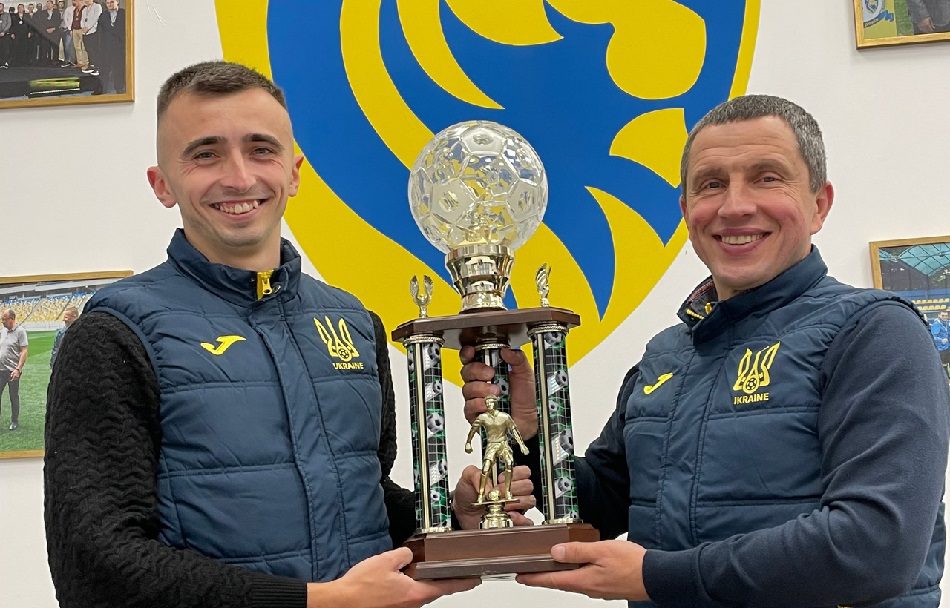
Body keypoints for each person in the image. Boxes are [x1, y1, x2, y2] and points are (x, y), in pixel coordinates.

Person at [45, 61, 534, 608]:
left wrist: (448, 518)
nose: (239, 177)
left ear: (294, 172)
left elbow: (359, 499)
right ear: (162, 185)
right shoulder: (115, 334)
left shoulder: (353, 323)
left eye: (261, 149)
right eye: (205, 154)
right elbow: (95, 568)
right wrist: (318, 601)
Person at [461, 95, 950, 606]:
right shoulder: (666, 354)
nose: (735, 206)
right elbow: (603, 505)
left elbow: (875, 547)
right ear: (686, 211)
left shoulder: (874, 333)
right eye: (712, 184)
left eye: (767, 178)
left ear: (819, 204)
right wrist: (530, 435)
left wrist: (655, 576)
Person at [464, 394, 529, 503]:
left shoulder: (504, 417)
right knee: (485, 468)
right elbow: (473, 430)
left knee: (509, 463)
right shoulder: (483, 417)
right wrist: (468, 442)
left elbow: (514, 431)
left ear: (495, 403)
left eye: (491, 402)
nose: (489, 405)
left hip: (503, 444)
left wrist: (522, 445)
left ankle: (507, 492)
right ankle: (481, 494)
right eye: (487, 403)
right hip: (491, 444)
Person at [0, 308, 28, 431]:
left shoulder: (20, 331)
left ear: (12, 319)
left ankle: (14, 420)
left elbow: (24, 350)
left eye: (4, 319)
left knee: (13, 397)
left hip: (13, 371)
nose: (2, 321)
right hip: (0, 370)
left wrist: (18, 369)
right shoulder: (3, 331)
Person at [932, 310, 950, 375]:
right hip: (941, 349)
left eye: (946, 316)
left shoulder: (946, 323)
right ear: (939, 315)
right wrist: (941, 340)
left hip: (948, 347)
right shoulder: (936, 324)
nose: (945, 317)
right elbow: (933, 337)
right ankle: (946, 379)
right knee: (944, 365)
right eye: (943, 315)